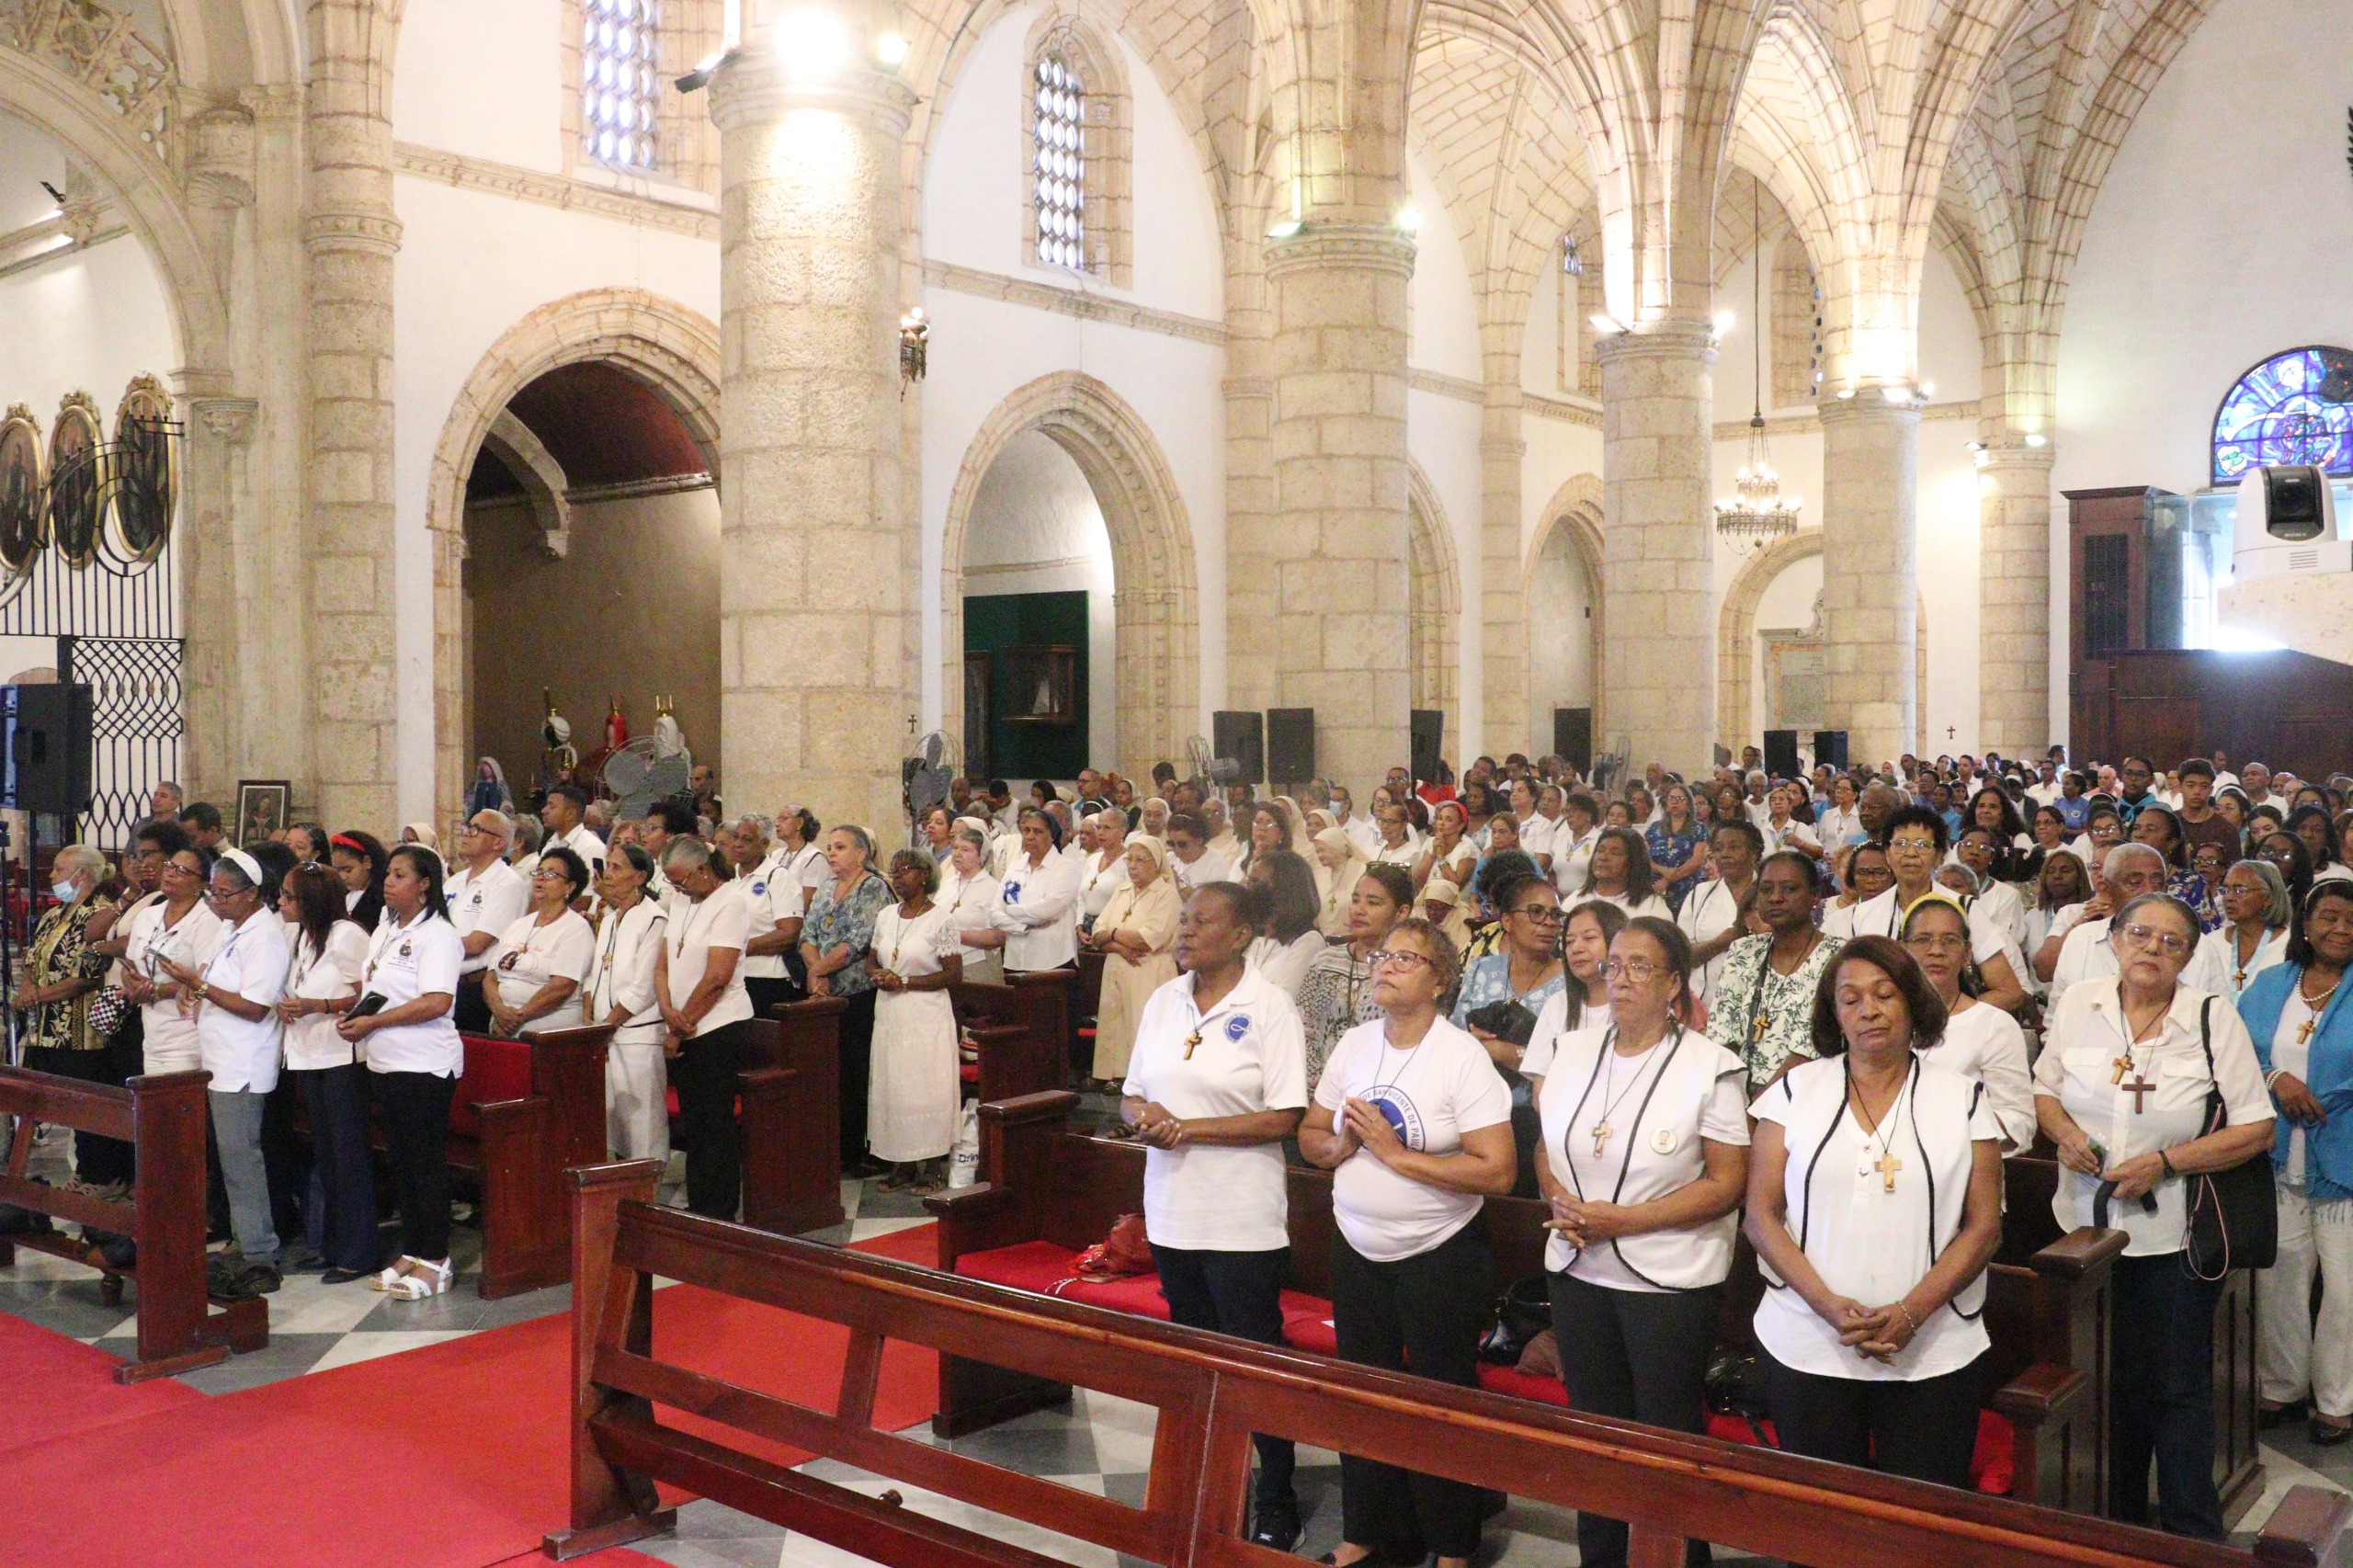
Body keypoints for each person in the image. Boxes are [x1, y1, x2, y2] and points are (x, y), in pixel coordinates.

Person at [2035, 892, 2275, 1537]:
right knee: (2106, 1383)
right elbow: (2044, 1088)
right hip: (2082, 1235)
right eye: (2140, 934)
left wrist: (2166, 1162)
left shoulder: (2210, 1017)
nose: (2153, 949)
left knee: (2175, 1387)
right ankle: (2118, 1525)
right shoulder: (2081, 1002)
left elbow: (2256, 1128)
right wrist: (2064, 1133)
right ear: (2115, 938)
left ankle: (2193, 1534)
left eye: (2172, 943)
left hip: (2174, 1238)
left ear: (2189, 958)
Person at [1746, 936, 2005, 1492]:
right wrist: (1826, 1305)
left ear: (1913, 1002)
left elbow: (1984, 1228)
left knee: (1919, 1518)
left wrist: (1912, 1312)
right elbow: (1760, 1215)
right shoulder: (1795, 1090)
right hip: (1806, 1341)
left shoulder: (1961, 1097)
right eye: (1851, 999)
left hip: (1933, 1349)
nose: (1869, 1010)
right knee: (1819, 1516)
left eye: (1885, 995)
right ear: (1834, 1014)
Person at [1299, 918, 1514, 1568]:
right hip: (1357, 1246)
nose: (1386, 966)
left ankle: (1451, 1547)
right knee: (1361, 1394)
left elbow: (1497, 1171)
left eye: (1406, 958)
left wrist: (1395, 1156)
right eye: (1383, 956)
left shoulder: (1461, 1057)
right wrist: (1338, 1147)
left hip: (1438, 1253)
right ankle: (1368, 1533)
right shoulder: (1356, 1044)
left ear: (1440, 979)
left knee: (1440, 1400)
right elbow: (1311, 1132)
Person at [1539, 917, 1749, 1568]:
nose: (1620, 978)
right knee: (1595, 1435)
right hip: (1579, 1268)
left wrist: (1623, 1222)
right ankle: (1600, 1559)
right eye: (1614, 965)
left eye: (1639, 966)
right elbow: (1545, 1144)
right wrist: (1561, 1202)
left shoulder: (1711, 1065)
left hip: (1669, 1278)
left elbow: (1727, 1183)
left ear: (1674, 983)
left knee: (1666, 1439)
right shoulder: (1572, 1049)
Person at [1121, 881, 1311, 1552]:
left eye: (1202, 921)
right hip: (1172, 1209)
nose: (1186, 931)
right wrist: (1144, 1116)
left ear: (1240, 935)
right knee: (1194, 1355)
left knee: (1253, 1356)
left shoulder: (1270, 1006)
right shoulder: (1165, 1000)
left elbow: (1284, 1115)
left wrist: (1188, 1128)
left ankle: (1278, 1494)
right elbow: (1132, 1093)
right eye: (1184, 919)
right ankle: (1206, 1483)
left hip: (1240, 1218)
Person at [152, 847, 290, 1300]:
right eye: (212, 891)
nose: (216, 900)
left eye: (224, 893)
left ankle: (260, 1250)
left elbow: (255, 1007)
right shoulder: (235, 929)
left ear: (251, 894)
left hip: (243, 1062)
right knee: (230, 1161)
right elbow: (217, 986)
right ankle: (243, 1239)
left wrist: (199, 985)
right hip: (220, 1060)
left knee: (241, 1160)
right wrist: (193, 990)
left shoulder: (264, 937)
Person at [2246, 880, 2353, 1442]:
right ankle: (2283, 1385)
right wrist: (2275, 1079)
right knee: (2281, 1277)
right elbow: (2238, 1049)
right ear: (2306, 925)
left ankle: (2337, 1399)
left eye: (2351, 921)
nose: (2340, 929)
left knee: (2346, 1287)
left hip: (2344, 1155)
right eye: (2329, 917)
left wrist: (2329, 1094)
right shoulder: (2272, 983)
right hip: (2277, 1153)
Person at [336, 845, 465, 1301]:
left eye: (399, 875)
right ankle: (412, 1249)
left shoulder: (439, 935)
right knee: (402, 1162)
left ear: (425, 883)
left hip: (424, 1064)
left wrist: (374, 1023)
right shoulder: (386, 929)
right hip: (386, 1061)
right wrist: (358, 1016)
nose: (388, 882)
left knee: (425, 1163)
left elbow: (437, 1001)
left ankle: (437, 1259)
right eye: (388, 874)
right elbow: (378, 988)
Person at [275, 860, 373, 1281]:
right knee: (326, 1157)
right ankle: (329, 1246)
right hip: (307, 1053)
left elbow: (369, 993)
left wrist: (322, 1006)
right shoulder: (301, 934)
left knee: (348, 1156)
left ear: (312, 900)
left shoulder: (347, 935)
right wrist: (288, 1006)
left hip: (341, 1056)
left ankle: (358, 1252)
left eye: (289, 896)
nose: (281, 903)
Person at [1832, 806, 2029, 1016]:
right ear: (1887, 854)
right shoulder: (1861, 915)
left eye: (1922, 845)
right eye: (1900, 844)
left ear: (1939, 856)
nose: (1910, 853)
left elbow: (2010, 992)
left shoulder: (1965, 908)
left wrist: (1941, 1015)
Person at [656, 836, 757, 1215]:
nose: (676, 888)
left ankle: (719, 1211)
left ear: (702, 870)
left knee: (714, 1124)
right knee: (695, 1123)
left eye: (680, 880)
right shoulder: (682, 900)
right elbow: (663, 963)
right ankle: (700, 1206)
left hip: (718, 1028)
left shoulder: (730, 902)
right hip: (683, 1024)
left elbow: (718, 977)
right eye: (671, 881)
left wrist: (679, 1026)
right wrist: (667, 1009)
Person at [14, 845, 120, 1188]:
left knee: (87, 1111)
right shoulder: (53, 915)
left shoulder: (100, 915)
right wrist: (27, 985)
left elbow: (87, 975)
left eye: (59, 869)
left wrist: (36, 996)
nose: (51, 875)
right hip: (42, 1031)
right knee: (41, 1105)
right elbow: (32, 960)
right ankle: (64, 1174)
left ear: (82, 874)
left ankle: (99, 1178)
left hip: (79, 1033)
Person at [1898, 896, 2035, 1153]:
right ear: (1903, 950)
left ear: (1967, 953)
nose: (1936, 950)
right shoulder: (1884, 1021)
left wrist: (1943, 1130)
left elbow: (2018, 1123)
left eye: (1950, 940)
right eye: (1923, 939)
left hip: (1964, 1165)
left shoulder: (1994, 1026)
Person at [867, 850, 963, 1194]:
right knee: (895, 1087)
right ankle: (902, 1164)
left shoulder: (941, 919)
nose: (897, 877)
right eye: (893, 871)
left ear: (924, 874)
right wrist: (878, 974)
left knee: (926, 1087)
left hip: (926, 1015)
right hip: (890, 1013)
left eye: (904, 870)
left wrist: (905, 982)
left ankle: (933, 1168)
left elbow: (953, 974)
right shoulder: (886, 916)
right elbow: (871, 959)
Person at [801, 825, 893, 1173]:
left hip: (859, 996)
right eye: (829, 847)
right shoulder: (827, 886)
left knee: (857, 1074)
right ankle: (833, 1147)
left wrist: (817, 971)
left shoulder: (873, 888)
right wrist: (818, 973)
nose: (831, 853)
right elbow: (807, 934)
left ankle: (859, 1150)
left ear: (861, 853)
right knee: (830, 1075)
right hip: (824, 996)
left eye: (840, 847)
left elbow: (859, 942)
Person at [1711, 851, 1840, 1094]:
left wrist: (1760, 1107)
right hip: (1737, 1091)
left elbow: (1811, 1049)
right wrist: (1731, 1098)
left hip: (1807, 1092)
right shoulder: (1744, 951)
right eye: (1766, 889)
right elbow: (1723, 1035)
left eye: (1789, 889)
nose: (1775, 898)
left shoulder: (1838, 957)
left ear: (1814, 896)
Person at [1296, 865, 1414, 1086]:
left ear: (1401, 912)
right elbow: (1302, 1028)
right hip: (1313, 1089)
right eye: (1355, 900)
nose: (1359, 910)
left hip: (1378, 1091)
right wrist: (1319, 1083)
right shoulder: (1324, 962)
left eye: (1373, 903)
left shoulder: (1407, 970)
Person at [118, 836, 224, 1080]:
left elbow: (206, 983)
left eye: (182, 871)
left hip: (188, 1038)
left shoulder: (207, 921)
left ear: (202, 883)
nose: (170, 873)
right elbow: (130, 963)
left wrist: (156, 990)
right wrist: (131, 984)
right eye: (170, 866)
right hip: (152, 1035)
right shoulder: (148, 915)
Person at [588, 844, 670, 1162]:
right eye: (607, 865)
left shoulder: (654, 919)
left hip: (636, 1033)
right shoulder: (610, 919)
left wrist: (606, 1026)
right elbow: (596, 974)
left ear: (639, 877)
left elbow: (644, 988)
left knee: (642, 1125)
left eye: (617, 868)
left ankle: (649, 1185)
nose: (607, 874)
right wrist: (591, 1021)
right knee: (613, 1123)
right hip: (605, 1031)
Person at [1083, 834, 1181, 1086]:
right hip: (1118, 963)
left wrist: (1112, 935)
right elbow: (1097, 931)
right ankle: (1110, 1074)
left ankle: (1137, 1078)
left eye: (1140, 860)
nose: (1133, 866)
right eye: (1130, 860)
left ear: (1156, 863)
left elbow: (1148, 938)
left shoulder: (1166, 894)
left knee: (1140, 1021)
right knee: (1113, 1019)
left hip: (1148, 968)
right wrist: (1118, 947)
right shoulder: (1122, 890)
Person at [1451, 869, 1565, 1080]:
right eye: (1536, 912)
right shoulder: (1481, 969)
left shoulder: (1570, 985)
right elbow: (1453, 1037)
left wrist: (1505, 1052)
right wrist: (1469, 1042)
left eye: (1556, 915)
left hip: (1539, 1097)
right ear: (1507, 921)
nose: (1549, 922)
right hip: (1473, 1088)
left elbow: (1572, 1063)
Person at [480, 844, 595, 1037]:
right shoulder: (518, 925)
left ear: (570, 886)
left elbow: (562, 987)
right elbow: (491, 978)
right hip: (501, 1025)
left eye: (551, 874)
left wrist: (517, 1018)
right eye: (539, 872)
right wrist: (499, 1011)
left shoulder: (576, 928)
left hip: (544, 1033)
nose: (541, 878)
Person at [2048, 843, 2171, 1009]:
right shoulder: (2080, 939)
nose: (2149, 891)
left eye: (2158, 883)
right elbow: (2057, 1015)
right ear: (2107, 890)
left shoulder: (2196, 946)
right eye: (2135, 883)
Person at [1523, 900, 1627, 1087]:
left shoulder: (1636, 1004)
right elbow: (1541, 1086)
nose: (1576, 949)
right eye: (1569, 941)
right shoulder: (1558, 1005)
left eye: (1589, 938)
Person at [444, 809, 530, 1033]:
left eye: (476, 829)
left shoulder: (507, 883)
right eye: (467, 827)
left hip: (473, 988)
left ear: (498, 842)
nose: (466, 833)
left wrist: (428, 947)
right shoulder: (454, 881)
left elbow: (476, 944)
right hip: (444, 981)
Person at [2187, 858, 2293, 1004]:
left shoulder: (2290, 943)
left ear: (2267, 898)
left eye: (2239, 890)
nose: (2228, 897)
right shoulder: (2212, 941)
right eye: (2225, 890)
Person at [1677, 819, 1761, 1004]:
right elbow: (1681, 956)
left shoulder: (1769, 893)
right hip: (1705, 1002)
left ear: (1754, 853)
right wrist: (1722, 942)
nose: (1725, 855)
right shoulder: (1700, 894)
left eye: (1734, 847)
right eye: (1718, 849)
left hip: (1758, 1001)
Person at [731, 815, 806, 1013]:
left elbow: (789, 933)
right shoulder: (728, 877)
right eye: (735, 837)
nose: (737, 844)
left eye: (746, 839)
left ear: (763, 844)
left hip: (768, 979)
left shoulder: (778, 877)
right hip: (732, 976)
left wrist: (739, 949)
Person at [1245, 850, 1325, 995]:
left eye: (1255, 883)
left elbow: (1284, 997)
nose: (1247, 890)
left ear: (1283, 890)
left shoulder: (1308, 941)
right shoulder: (1254, 935)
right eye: (1248, 882)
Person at [938, 822, 1005, 985]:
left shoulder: (992, 888)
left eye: (965, 850)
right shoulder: (947, 884)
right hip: (943, 966)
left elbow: (998, 937)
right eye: (955, 848)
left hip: (977, 966)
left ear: (980, 857)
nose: (957, 854)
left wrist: (955, 935)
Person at [1577, 825, 1671, 920]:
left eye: (1615, 853)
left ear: (1633, 862)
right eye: (1600, 851)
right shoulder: (1577, 899)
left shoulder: (1652, 909)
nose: (1603, 857)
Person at [1645, 784, 1709, 914]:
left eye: (1680, 799)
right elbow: (1644, 857)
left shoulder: (1698, 828)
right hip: (1655, 889)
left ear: (1689, 804)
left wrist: (1667, 879)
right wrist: (1662, 870)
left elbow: (1697, 861)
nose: (1674, 802)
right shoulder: (1654, 828)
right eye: (1671, 798)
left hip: (1686, 890)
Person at [1312, 820, 1372, 938]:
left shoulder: (1362, 871)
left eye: (1323, 850)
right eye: (1317, 852)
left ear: (1339, 847)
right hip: (1323, 938)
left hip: (1353, 938)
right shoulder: (1320, 875)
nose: (1319, 856)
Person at [1076, 808, 1132, 927]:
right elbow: (1082, 897)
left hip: (1112, 927)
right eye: (1098, 827)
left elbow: (1129, 902)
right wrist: (1079, 925)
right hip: (1086, 926)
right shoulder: (1092, 859)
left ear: (1122, 832)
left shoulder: (1130, 862)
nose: (1100, 832)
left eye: (1107, 828)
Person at [540, 782, 607, 875]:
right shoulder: (550, 844)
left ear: (570, 814)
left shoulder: (592, 847)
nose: (544, 811)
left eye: (552, 807)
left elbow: (593, 884)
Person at [330, 830, 388, 931]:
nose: (342, 877)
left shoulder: (381, 899)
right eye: (337, 870)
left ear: (367, 862)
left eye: (348, 870)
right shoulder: (338, 895)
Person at [1415, 800, 1476, 892]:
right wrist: (1433, 854)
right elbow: (1417, 881)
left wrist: (1441, 857)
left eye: (1448, 820)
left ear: (1460, 826)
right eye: (1440, 818)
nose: (1441, 823)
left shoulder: (1467, 849)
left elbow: (1456, 886)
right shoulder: (1431, 842)